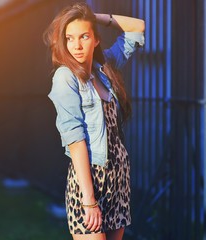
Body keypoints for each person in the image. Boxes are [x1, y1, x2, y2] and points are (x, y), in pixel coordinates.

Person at [44, 2, 145, 240]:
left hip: (118, 177)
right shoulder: (65, 78)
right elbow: (74, 139)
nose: (76, 45)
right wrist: (89, 200)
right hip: (89, 180)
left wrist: (92, 17)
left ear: (96, 39)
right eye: (69, 38)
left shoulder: (105, 69)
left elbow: (137, 28)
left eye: (84, 36)